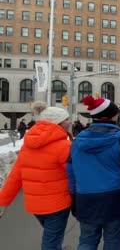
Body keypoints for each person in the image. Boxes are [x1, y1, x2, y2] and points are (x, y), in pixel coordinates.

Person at [0, 101, 72, 250]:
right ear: (58, 123)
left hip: (35, 205)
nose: (69, 122)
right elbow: (77, 175)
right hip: (57, 204)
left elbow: (15, 175)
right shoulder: (64, 146)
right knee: (51, 241)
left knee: (51, 236)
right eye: (66, 119)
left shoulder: (28, 145)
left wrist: (3, 200)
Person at [68, 96, 120, 249]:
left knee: (87, 241)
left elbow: (70, 171)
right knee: (113, 240)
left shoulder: (77, 141)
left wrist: (72, 196)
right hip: (114, 200)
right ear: (112, 116)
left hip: (85, 199)